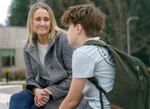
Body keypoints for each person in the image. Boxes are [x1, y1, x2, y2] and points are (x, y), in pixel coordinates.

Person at [9, 2, 90, 109]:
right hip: (39, 90)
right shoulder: (28, 48)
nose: (42, 23)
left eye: (46, 19)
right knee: (16, 99)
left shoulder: (63, 40)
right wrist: (37, 91)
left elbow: (74, 76)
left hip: (62, 90)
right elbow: (30, 79)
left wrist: (49, 91)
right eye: (38, 19)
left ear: (51, 22)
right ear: (31, 22)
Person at [59, 4, 115, 109]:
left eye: (68, 28)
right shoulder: (104, 48)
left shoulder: (83, 53)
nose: (66, 32)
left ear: (78, 28)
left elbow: (72, 101)